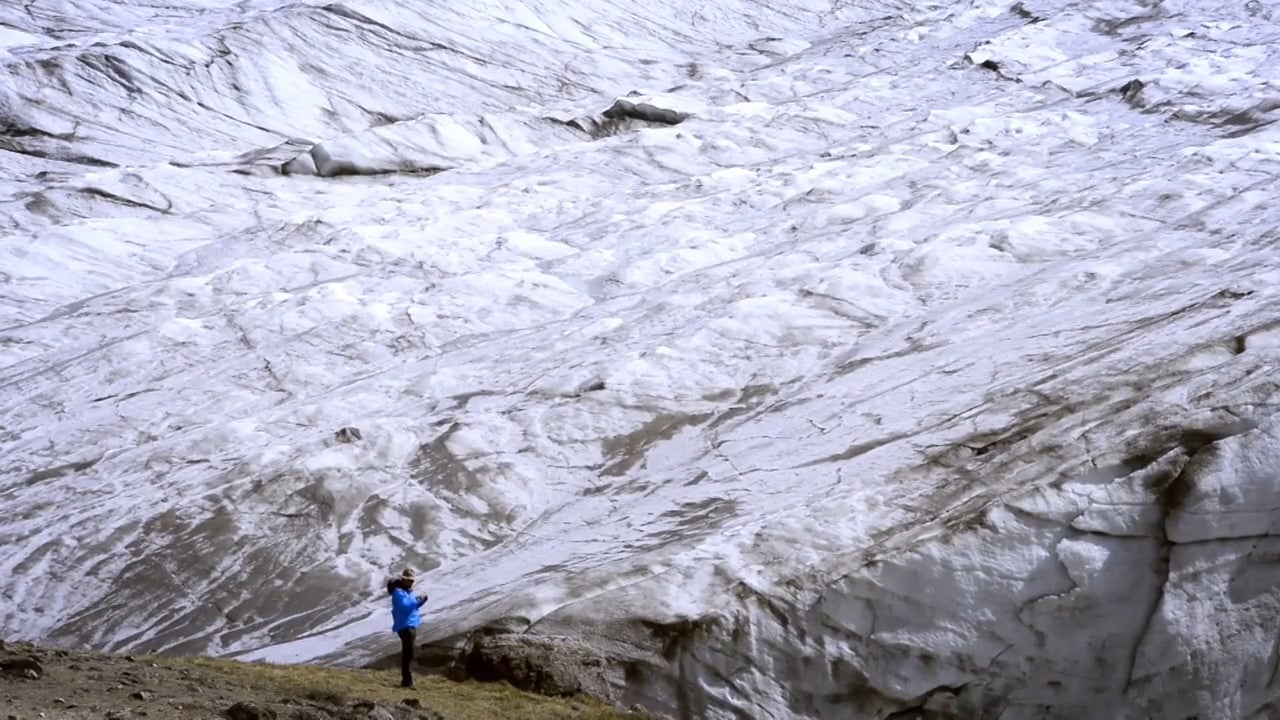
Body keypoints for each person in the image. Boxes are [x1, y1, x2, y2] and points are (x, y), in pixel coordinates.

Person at [386, 568, 429, 688]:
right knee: (408, 654)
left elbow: (412, 605)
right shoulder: (398, 592)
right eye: (409, 580)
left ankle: (407, 680)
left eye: (412, 580)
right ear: (403, 579)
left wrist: (420, 601)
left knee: (408, 653)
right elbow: (405, 607)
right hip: (405, 626)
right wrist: (418, 601)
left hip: (409, 624)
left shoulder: (407, 591)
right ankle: (407, 681)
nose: (411, 582)